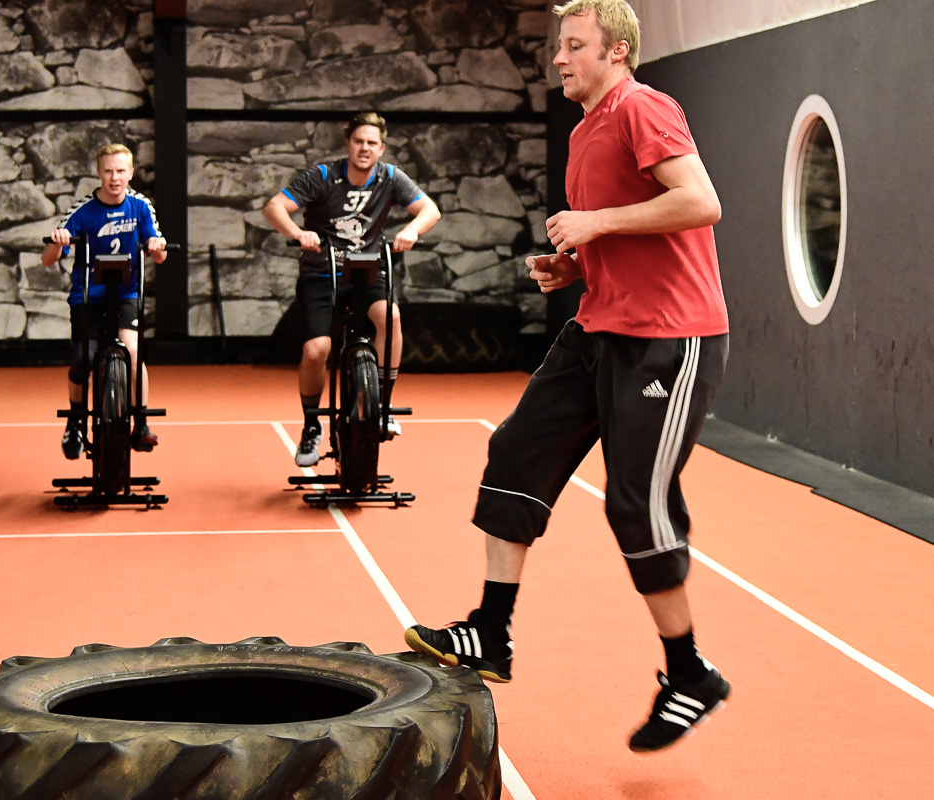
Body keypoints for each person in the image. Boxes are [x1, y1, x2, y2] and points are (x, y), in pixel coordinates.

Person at [403, 0, 731, 753]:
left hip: (669, 339)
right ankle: (490, 632)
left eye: (574, 45)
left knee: (633, 505)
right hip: (600, 328)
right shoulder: (585, 131)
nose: (559, 58)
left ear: (616, 52)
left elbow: (700, 202)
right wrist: (573, 265)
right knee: (517, 453)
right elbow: (621, 229)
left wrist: (597, 223)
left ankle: (689, 673)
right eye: (560, 46)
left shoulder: (644, 106)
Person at [262, 112, 441, 467]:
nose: (365, 148)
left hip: (367, 272)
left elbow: (429, 210)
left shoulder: (390, 177)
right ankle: (311, 424)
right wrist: (298, 234)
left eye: (372, 142)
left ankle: (383, 405)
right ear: (348, 144)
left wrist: (412, 231)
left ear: (382, 148)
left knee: (389, 317)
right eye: (359, 141)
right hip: (321, 274)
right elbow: (274, 207)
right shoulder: (323, 176)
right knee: (317, 351)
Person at [41, 143, 167, 459]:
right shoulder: (82, 211)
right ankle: (76, 423)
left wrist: (155, 244)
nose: (114, 178)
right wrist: (57, 243)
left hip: (125, 294)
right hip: (88, 297)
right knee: (85, 357)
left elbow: (161, 256)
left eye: (121, 171)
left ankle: (140, 423)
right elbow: (47, 259)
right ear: (98, 174)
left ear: (131, 173)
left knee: (133, 350)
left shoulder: (141, 207)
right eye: (108, 171)